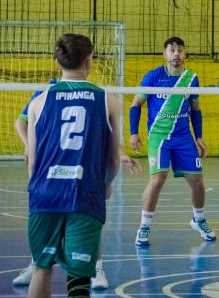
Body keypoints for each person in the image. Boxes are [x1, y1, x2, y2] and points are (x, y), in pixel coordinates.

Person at [12, 79, 141, 289]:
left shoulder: (95, 95)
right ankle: (37, 263)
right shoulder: (46, 93)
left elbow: (103, 133)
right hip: (53, 172)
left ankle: (96, 267)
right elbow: (21, 121)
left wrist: (121, 154)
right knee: (55, 225)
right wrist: (29, 145)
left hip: (82, 168)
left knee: (86, 220)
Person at [25, 33, 121, 297]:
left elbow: (32, 161)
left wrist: (38, 192)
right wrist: (105, 186)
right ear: (89, 61)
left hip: (44, 196)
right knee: (78, 279)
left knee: (41, 269)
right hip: (84, 194)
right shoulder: (107, 99)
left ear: (57, 61)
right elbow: (114, 159)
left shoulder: (38, 102)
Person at [130, 36, 215, 246]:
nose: (176, 53)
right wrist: (133, 133)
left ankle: (199, 219)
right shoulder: (152, 76)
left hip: (184, 138)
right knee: (157, 180)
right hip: (159, 137)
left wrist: (200, 137)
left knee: (198, 183)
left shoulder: (191, 78)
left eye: (180, 50)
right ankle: (144, 226)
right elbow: (135, 104)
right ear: (165, 54)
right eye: (172, 50)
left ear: (185, 55)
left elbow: (196, 110)